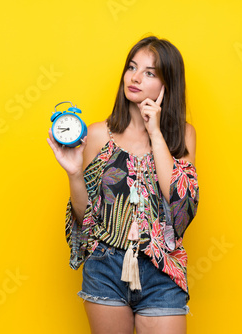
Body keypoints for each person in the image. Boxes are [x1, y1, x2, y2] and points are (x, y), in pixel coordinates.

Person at [47, 35, 199, 334]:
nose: (135, 77)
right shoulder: (98, 135)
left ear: (168, 83)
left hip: (161, 269)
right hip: (106, 265)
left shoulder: (183, 135)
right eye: (132, 67)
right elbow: (85, 218)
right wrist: (75, 173)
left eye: (150, 72)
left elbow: (181, 206)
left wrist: (155, 132)